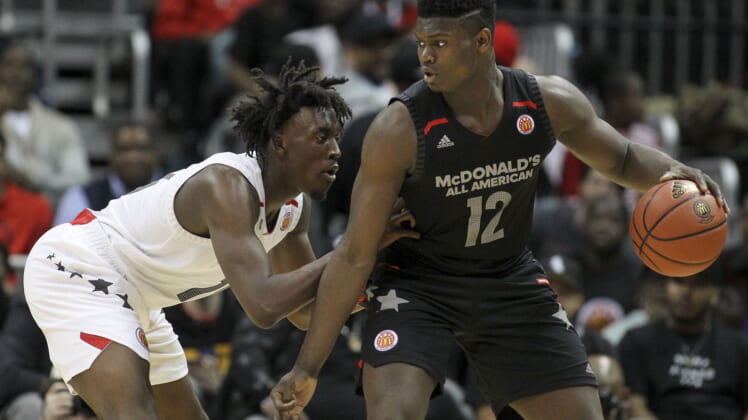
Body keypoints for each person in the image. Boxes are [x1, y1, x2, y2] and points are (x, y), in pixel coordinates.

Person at [270, 2, 729, 420]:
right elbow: (354, 254)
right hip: (417, 285)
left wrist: (675, 171)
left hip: (507, 279)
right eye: (422, 44)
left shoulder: (545, 100)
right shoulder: (399, 128)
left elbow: (623, 158)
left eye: (440, 44)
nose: (425, 56)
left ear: (483, 42)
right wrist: (307, 366)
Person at [22, 61, 417, 420]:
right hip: (80, 268)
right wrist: (354, 246)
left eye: (336, 139)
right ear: (279, 141)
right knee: (133, 414)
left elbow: (303, 312)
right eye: (321, 137)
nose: (335, 152)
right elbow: (263, 305)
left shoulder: (294, 208)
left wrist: (365, 276)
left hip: (141, 298)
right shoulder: (226, 186)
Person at [618, 267, 748, 420]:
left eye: (698, 284)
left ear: (715, 294)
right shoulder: (638, 340)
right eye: (678, 282)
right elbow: (635, 407)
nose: (685, 291)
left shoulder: (739, 345)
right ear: (666, 286)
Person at [0, 40, 90, 203]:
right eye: (8, 65)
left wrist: (28, 178)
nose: (15, 73)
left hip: (50, 214)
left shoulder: (62, 126)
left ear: (35, 76)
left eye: (24, 66)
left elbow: (78, 179)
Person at [53, 121, 161, 225]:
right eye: (123, 150)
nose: (133, 157)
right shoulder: (80, 197)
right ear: (111, 156)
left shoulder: (173, 192)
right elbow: (66, 242)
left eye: (142, 149)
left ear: (156, 154)